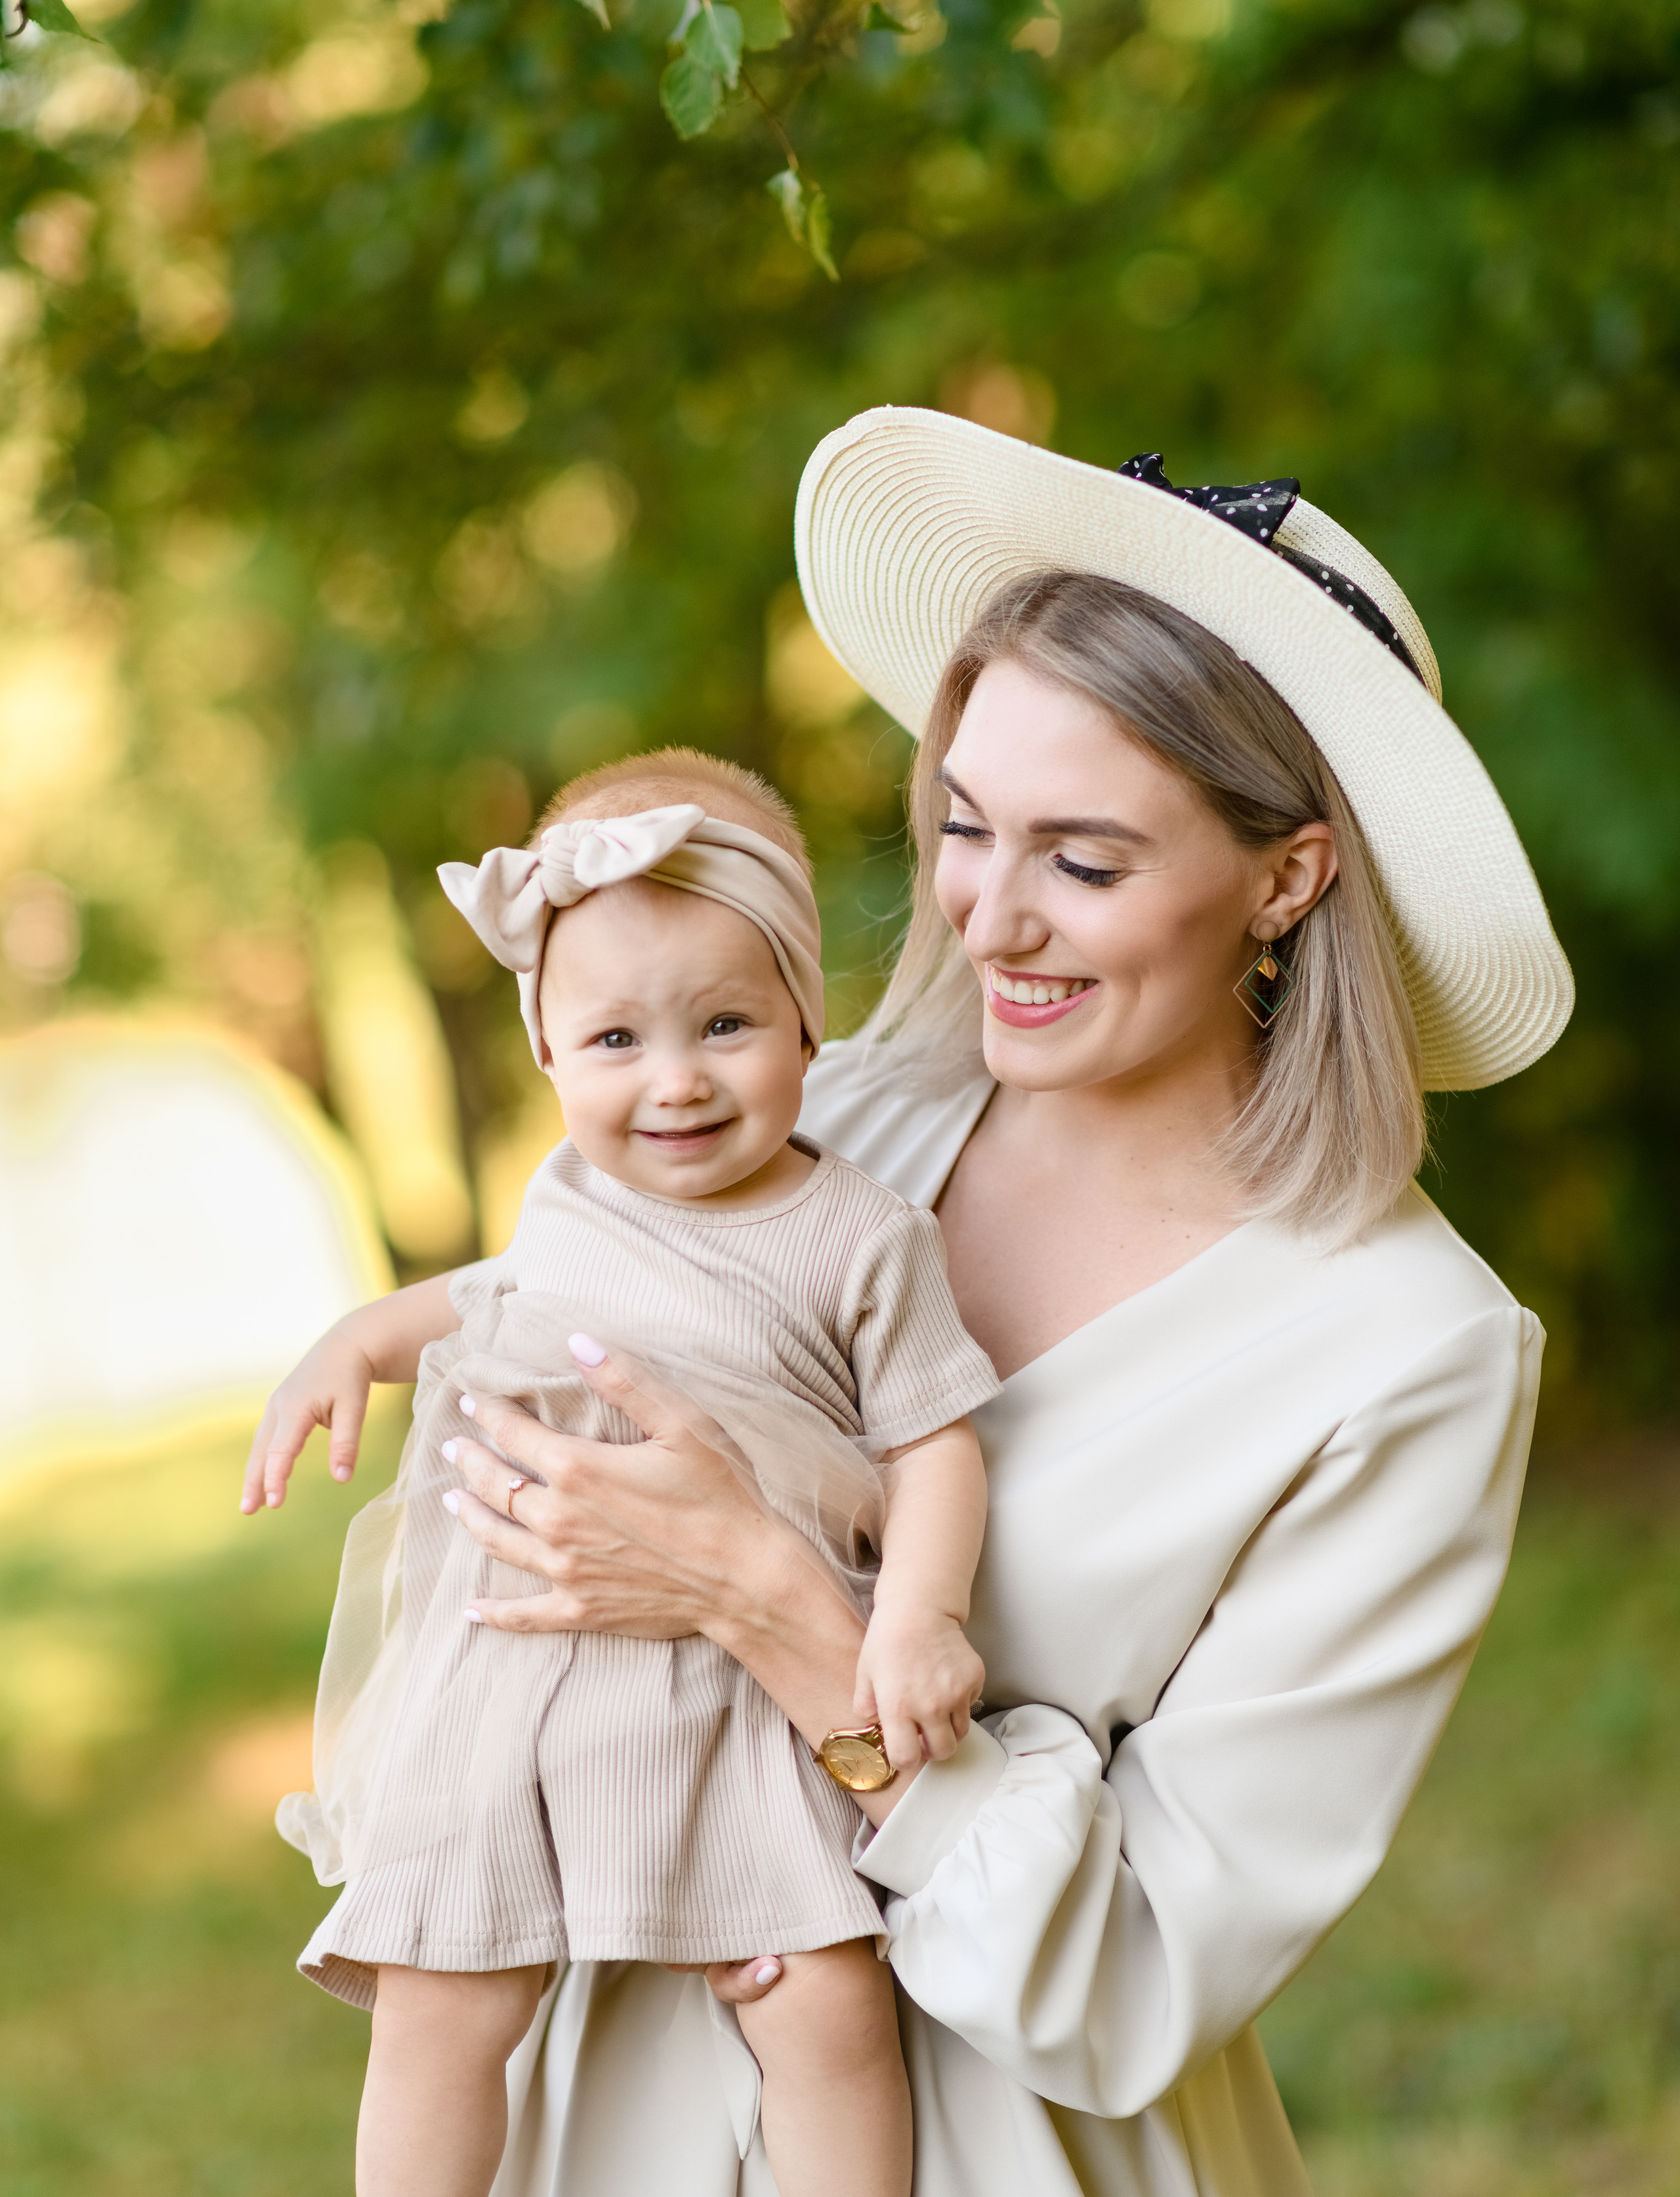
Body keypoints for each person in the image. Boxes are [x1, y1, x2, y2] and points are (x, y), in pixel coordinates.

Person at [423, 409, 1574, 2197]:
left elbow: (1138, 1975)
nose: (989, 922)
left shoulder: (1406, 1353)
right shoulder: (833, 1117)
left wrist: (779, 1612)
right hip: (618, 2107)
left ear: (1288, 875)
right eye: (965, 828)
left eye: (1085, 862)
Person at [242, 747, 999, 2197]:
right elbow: (496, 1296)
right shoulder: (569, 1201)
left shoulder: (860, 1234)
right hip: (517, 1673)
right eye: (614, 1045)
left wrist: (919, 1615)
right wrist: (354, 1339)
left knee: (823, 2005)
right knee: (438, 2001)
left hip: (734, 1690)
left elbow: (932, 1442)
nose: (676, 1083)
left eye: (725, 1024)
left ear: (805, 1018)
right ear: (545, 1052)